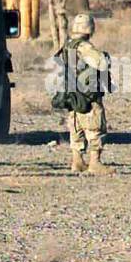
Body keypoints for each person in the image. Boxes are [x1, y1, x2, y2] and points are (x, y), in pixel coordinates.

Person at [54, 13, 112, 174]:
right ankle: (95, 163)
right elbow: (100, 63)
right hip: (87, 94)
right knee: (95, 126)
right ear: (90, 29)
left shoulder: (68, 45)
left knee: (76, 127)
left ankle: (77, 161)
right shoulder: (84, 46)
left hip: (72, 93)